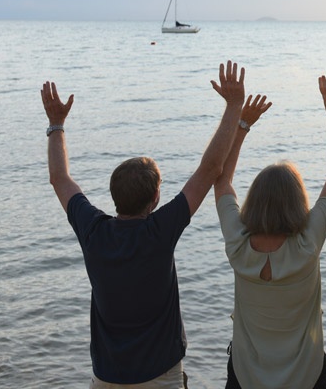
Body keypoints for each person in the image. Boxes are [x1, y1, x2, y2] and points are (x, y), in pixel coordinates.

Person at [41, 60, 247, 388]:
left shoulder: (93, 230)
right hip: (160, 376)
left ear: (114, 195)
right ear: (154, 199)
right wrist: (234, 106)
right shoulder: (159, 231)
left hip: (106, 377)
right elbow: (209, 170)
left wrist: (56, 124)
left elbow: (59, 178)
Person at [215, 76, 326, 389]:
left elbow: (221, 181)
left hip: (246, 376)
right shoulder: (306, 245)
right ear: (297, 202)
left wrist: (243, 125)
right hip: (307, 376)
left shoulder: (238, 245)